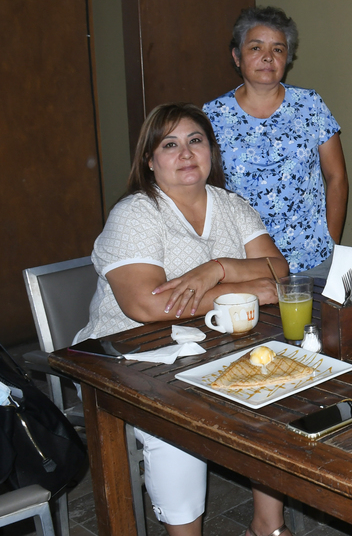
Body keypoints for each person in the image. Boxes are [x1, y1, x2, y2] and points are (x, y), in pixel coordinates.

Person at [75, 103, 293, 536]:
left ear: (211, 150)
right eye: (169, 144)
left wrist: (220, 268)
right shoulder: (136, 213)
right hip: (131, 356)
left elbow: (278, 268)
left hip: (211, 344)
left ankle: (267, 528)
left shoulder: (230, 204)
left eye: (195, 141)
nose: (186, 153)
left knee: (277, 390)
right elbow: (146, 306)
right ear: (150, 160)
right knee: (176, 425)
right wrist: (243, 289)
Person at [205, 6, 348, 278]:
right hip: (245, 262)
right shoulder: (212, 116)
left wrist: (332, 243)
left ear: (288, 58)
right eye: (256, 48)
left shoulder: (310, 105)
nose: (268, 57)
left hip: (313, 259)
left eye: (278, 49)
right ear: (237, 57)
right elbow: (207, 191)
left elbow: (337, 176)